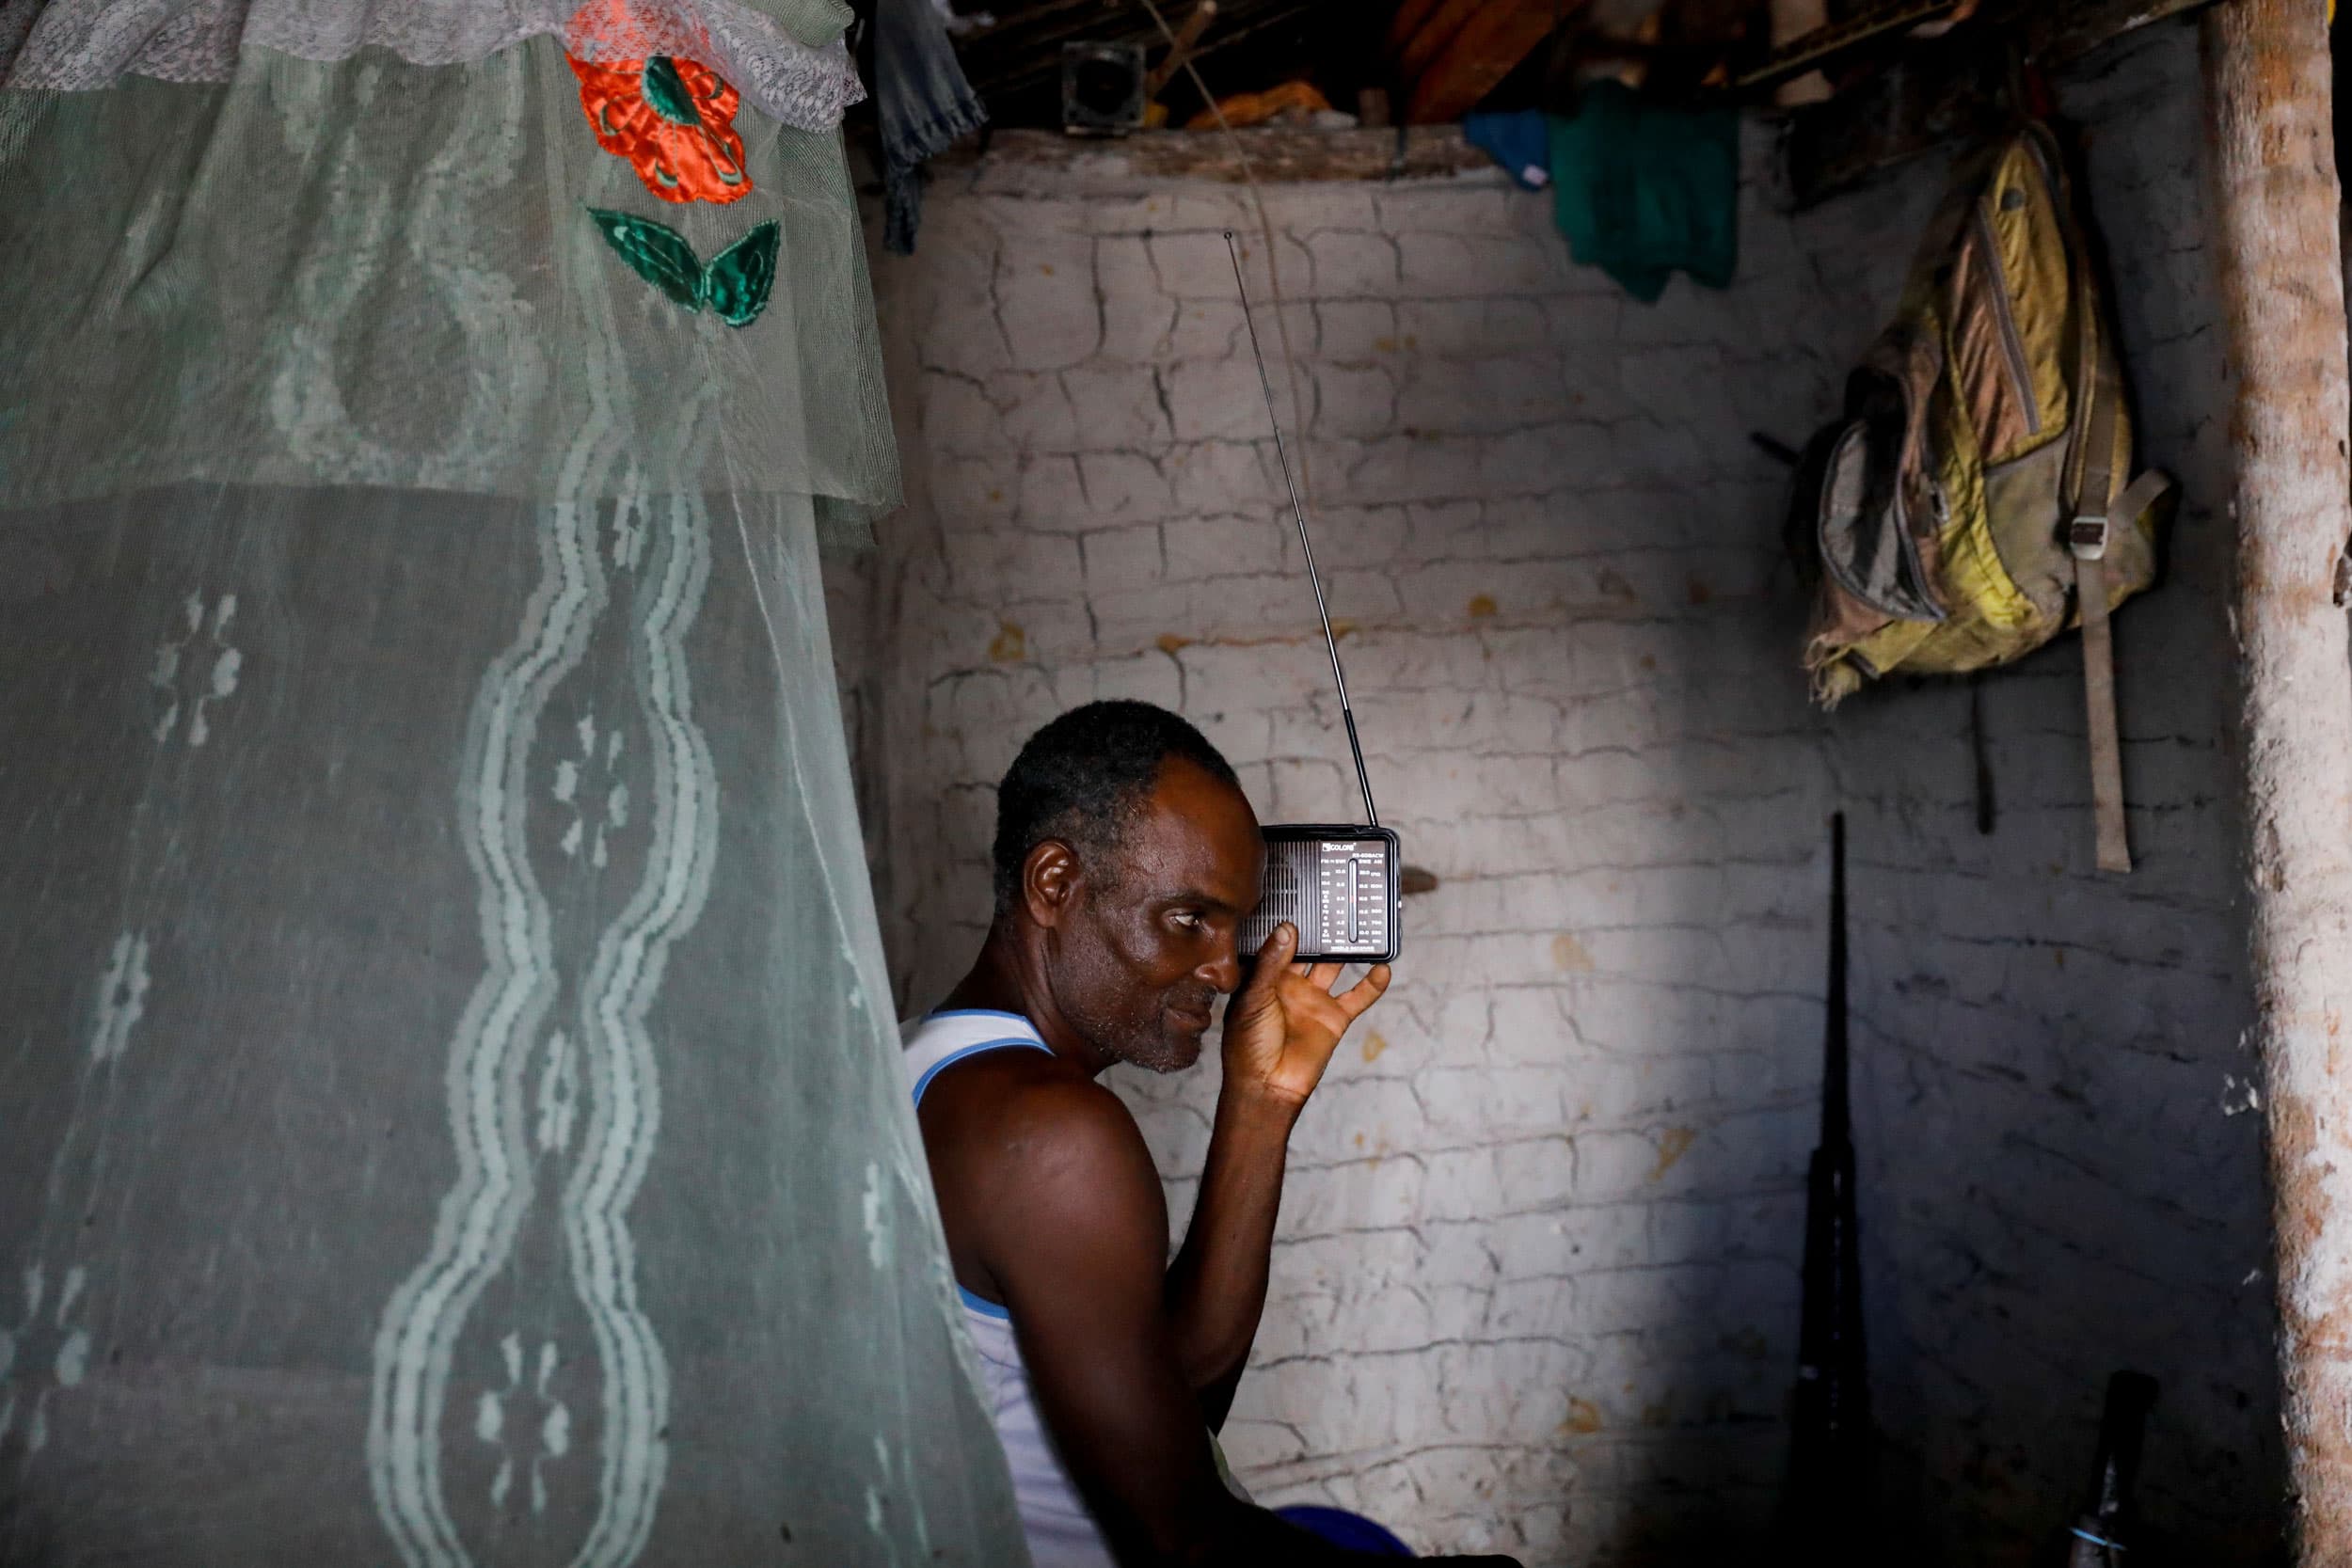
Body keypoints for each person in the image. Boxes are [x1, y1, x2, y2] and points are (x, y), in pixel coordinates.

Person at [904, 701, 1522, 1568]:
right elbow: (1186, 1543)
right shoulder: (1053, 1133)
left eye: (1235, 923)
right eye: (1190, 917)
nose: (1226, 968)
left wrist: (1261, 1102)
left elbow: (1178, 1396)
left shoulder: (935, 1059)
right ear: (1055, 885)